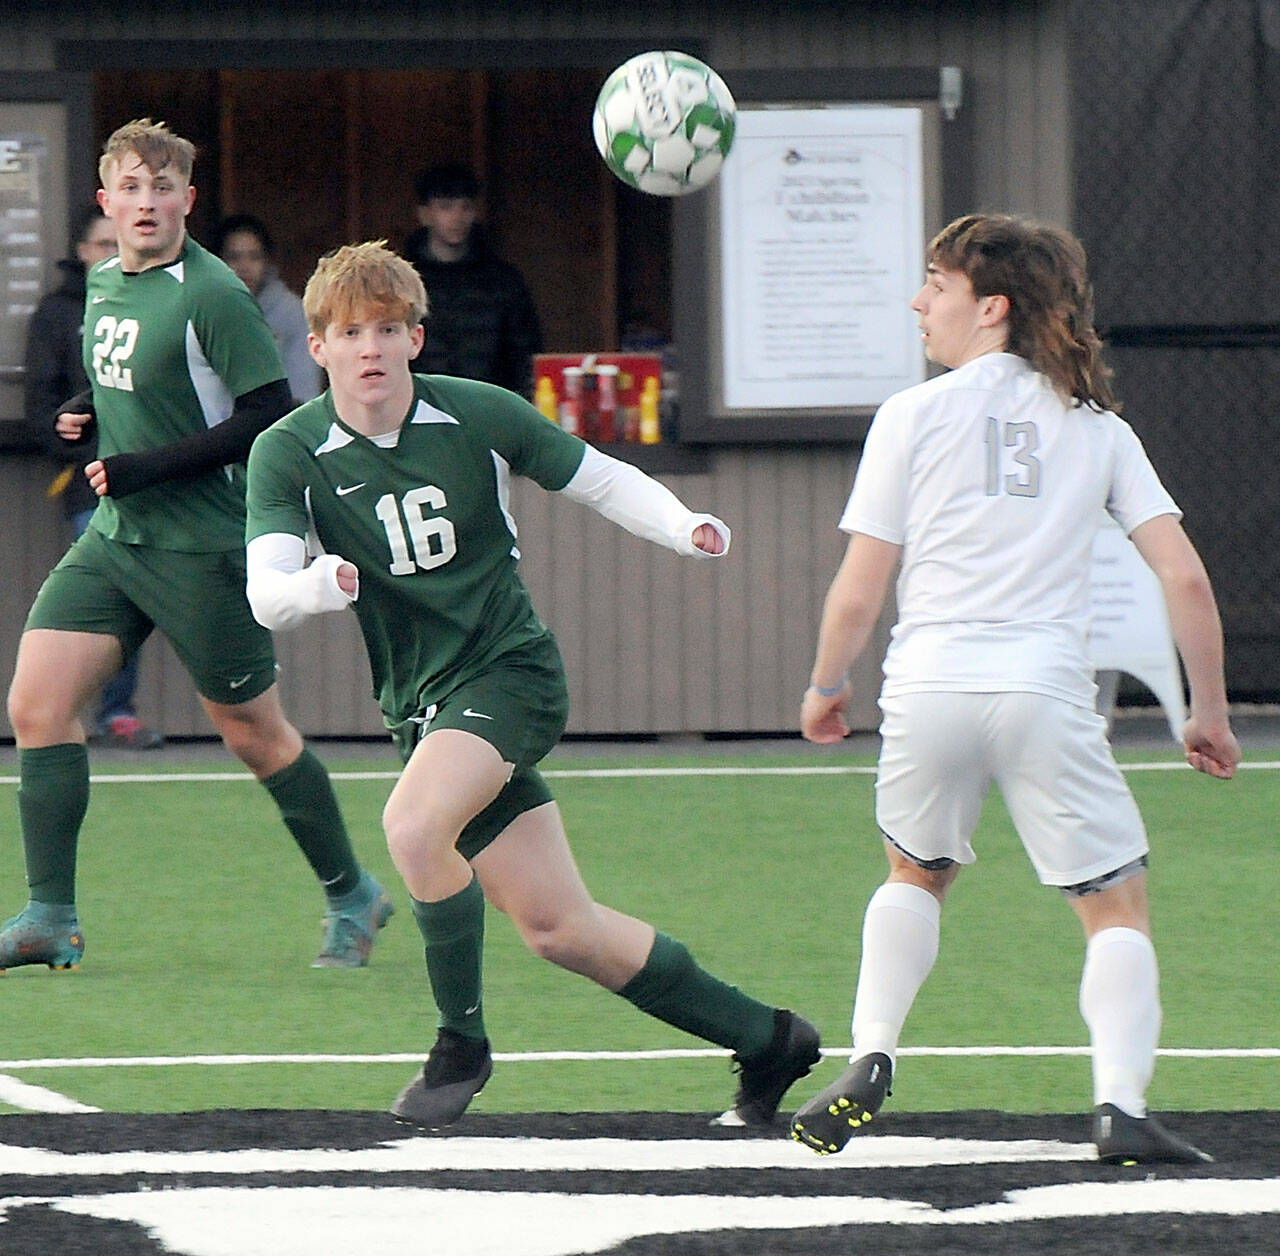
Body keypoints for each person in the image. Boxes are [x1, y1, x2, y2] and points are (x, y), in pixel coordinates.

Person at [243, 241, 820, 1128]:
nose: (370, 347)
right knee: (562, 930)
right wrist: (317, 586)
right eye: (349, 331)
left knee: (411, 823)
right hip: (422, 704)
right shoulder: (287, 453)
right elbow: (266, 591)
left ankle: (459, 1046)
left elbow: (596, 478)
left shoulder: (474, 414)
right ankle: (766, 1037)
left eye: (387, 329)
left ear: (416, 338)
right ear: (316, 347)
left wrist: (682, 524)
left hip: (510, 673)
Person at [788, 214, 1239, 1165]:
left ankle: (870, 1057)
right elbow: (1187, 580)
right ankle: (1118, 1107)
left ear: (990, 308)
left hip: (928, 685)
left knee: (915, 872)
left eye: (934, 286)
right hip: (1042, 688)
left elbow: (860, 588)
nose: (918, 302)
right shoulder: (1098, 428)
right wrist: (1207, 712)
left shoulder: (910, 416)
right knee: (1114, 906)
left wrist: (827, 686)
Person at [0, 119, 392, 974]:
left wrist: (144, 464)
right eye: (130, 190)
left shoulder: (213, 292)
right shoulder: (106, 282)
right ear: (107, 202)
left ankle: (353, 892)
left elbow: (264, 415)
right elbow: (134, 383)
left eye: (162, 188)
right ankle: (48, 915)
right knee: (35, 706)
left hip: (205, 545)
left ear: (187, 200)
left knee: (254, 733)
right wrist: (85, 411)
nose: (146, 203)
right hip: (117, 539)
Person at [22, 202, 163, 750]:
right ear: (82, 252)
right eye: (102, 245)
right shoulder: (58, 314)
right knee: (100, 594)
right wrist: (67, 446)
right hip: (86, 479)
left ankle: (116, 711)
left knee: (141, 594)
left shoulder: (146, 301)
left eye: (117, 244)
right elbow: (43, 396)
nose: (111, 254)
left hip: (148, 474)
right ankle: (74, 709)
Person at [403, 163, 542, 396]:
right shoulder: (402, 283)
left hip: (491, 405)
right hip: (422, 405)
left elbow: (525, 357)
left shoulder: (503, 281)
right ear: (425, 214)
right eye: (446, 207)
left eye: (465, 207)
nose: (457, 217)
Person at [212, 213, 323, 404]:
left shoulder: (292, 312)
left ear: (267, 261)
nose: (244, 266)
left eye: (254, 257)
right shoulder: (206, 309)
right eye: (234, 257)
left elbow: (304, 390)